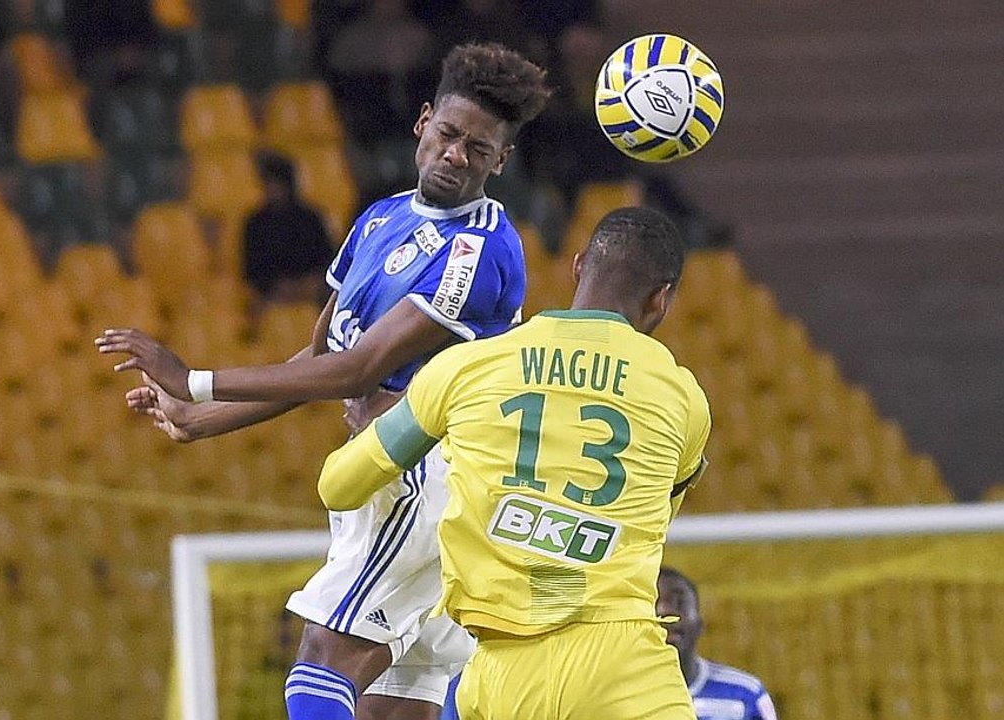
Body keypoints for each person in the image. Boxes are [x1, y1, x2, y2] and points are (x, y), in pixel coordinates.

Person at [95, 42, 552, 720]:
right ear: (423, 122)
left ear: (500, 160)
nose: (457, 155)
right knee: (389, 709)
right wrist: (199, 417)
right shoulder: (379, 219)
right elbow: (314, 365)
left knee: (321, 660)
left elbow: (361, 368)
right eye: (450, 135)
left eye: (479, 149)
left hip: (432, 481)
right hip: (393, 483)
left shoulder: (479, 250)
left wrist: (191, 378)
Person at [318, 206, 712, 719]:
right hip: (622, 667)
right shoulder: (683, 397)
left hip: (499, 677)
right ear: (661, 300)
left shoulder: (467, 367)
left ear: (576, 268)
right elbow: (660, 512)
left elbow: (337, 487)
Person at [657, 566, 779, 720]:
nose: (665, 610)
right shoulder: (621, 695)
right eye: (652, 603)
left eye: (678, 602)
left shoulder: (746, 694)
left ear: (700, 624)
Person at [243, 152, 335, 309]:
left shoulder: (311, 218)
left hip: (312, 295)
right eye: (269, 183)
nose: (273, 189)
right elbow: (253, 268)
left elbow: (326, 258)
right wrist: (274, 288)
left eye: (277, 183)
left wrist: (309, 284)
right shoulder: (255, 223)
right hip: (272, 298)